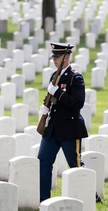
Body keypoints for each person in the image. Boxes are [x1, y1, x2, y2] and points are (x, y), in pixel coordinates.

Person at [37, 42, 88, 202]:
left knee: (76, 164)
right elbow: (53, 99)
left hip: (69, 128)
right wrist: (46, 107)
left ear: (66, 58)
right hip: (52, 128)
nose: (54, 60)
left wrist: (57, 92)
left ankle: (91, 194)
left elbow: (77, 103)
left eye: (57, 57)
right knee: (43, 161)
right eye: (54, 57)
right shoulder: (54, 76)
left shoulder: (75, 78)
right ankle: (43, 198)